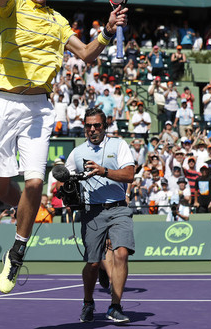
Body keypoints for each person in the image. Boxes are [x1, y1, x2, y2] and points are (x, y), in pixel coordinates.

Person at [0, 0, 127, 294]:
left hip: (39, 108)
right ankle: (26, 210)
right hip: (5, 104)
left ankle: (17, 250)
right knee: (0, 191)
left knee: (35, 182)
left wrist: (107, 31)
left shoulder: (58, 21)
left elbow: (88, 54)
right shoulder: (12, 5)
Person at [63, 108, 134, 323]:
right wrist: (66, 188)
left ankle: (115, 306)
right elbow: (64, 177)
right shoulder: (76, 152)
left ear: (105, 126)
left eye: (97, 126)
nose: (92, 130)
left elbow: (129, 174)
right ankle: (88, 302)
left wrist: (104, 171)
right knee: (93, 263)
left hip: (119, 207)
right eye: (88, 126)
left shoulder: (119, 145)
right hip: (92, 211)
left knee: (121, 253)